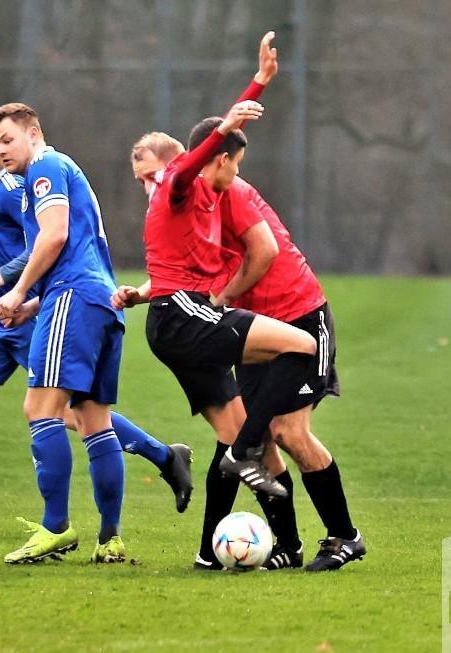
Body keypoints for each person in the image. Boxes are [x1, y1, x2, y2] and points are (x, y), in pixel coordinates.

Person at [121, 37, 365, 572]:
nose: (151, 185)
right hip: (245, 322)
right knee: (247, 437)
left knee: (285, 432)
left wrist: (222, 297)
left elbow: (265, 251)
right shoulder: (190, 196)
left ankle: (345, 536)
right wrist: (149, 291)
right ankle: (268, 546)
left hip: (298, 312)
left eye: (152, 175)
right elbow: (179, 265)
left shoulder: (229, 192)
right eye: (144, 179)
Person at [0, 111, 193, 532]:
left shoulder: (25, 183)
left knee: (73, 416)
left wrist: (11, 282)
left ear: (26, 137)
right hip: (4, 317)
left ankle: (152, 462)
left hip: (43, 308)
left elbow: (52, 238)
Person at [0, 102, 129, 564]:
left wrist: (16, 290)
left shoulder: (45, 165)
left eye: (8, 140)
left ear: (33, 133)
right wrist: (30, 306)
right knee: (94, 421)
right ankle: (110, 538)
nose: (0, 150)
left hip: (74, 296)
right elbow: (76, 248)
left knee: (39, 408)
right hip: (99, 301)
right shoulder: (57, 170)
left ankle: (56, 528)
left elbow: (55, 237)